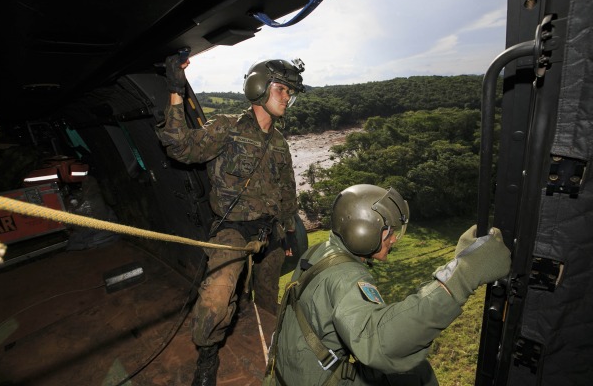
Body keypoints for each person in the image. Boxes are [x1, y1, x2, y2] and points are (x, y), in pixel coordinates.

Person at [264, 184, 512, 386]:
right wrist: (460, 278)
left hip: (288, 372)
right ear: (363, 233)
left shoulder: (320, 251)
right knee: (418, 377)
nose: (393, 239)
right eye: (387, 232)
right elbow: (379, 343)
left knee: (416, 371)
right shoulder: (345, 277)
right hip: (315, 379)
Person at [156, 54, 305, 386]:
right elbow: (180, 147)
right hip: (233, 230)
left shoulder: (280, 144)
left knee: (268, 299)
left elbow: (287, 191)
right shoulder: (227, 127)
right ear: (258, 88)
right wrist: (175, 91)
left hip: (271, 234)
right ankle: (208, 356)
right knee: (216, 300)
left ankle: (271, 349)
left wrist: (289, 232)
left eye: (289, 92)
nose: (286, 97)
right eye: (281, 89)